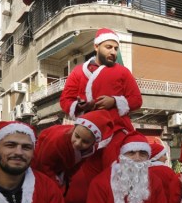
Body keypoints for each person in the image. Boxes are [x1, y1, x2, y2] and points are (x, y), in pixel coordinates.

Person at [59, 28, 143, 167]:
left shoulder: (123, 72)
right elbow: (65, 100)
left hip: (116, 133)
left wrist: (115, 101)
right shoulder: (78, 72)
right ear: (96, 46)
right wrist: (80, 106)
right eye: (108, 47)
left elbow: (136, 100)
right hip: (85, 134)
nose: (113, 52)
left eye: (116, 49)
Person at [32, 110, 114, 203]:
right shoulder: (56, 141)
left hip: (59, 168)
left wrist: (67, 179)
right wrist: (55, 186)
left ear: (93, 143)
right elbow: (44, 165)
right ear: (74, 128)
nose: (78, 143)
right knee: (45, 194)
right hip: (39, 162)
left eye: (85, 142)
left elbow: (76, 165)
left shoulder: (91, 150)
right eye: (77, 136)